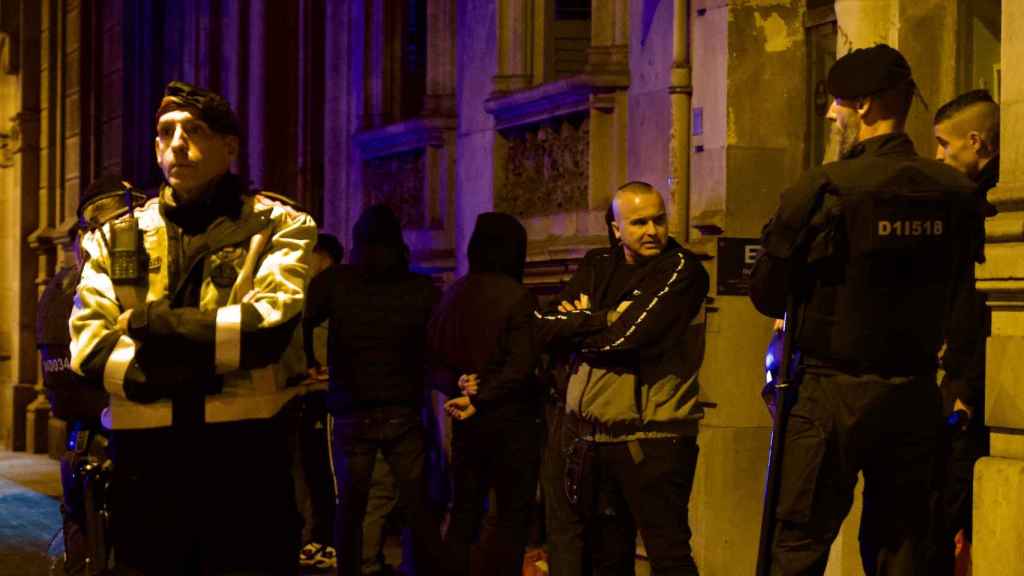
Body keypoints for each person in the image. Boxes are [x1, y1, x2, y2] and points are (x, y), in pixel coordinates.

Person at [749, 45, 983, 575]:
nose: (832, 114)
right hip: (914, 392)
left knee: (797, 543)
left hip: (830, 392)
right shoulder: (954, 191)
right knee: (903, 547)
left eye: (839, 104)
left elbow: (767, 291)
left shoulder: (823, 188)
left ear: (867, 107)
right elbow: (964, 297)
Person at [69, 80, 316, 575]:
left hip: (245, 461)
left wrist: (145, 323)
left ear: (230, 146)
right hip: (146, 467)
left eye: (194, 130)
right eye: (165, 132)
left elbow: (264, 330)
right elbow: (90, 347)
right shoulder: (115, 235)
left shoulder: (279, 225)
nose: (177, 143)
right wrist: (179, 375)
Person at [535, 181, 709, 575]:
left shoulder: (682, 270)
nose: (653, 231)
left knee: (668, 556)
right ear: (616, 229)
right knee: (607, 556)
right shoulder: (598, 264)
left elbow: (629, 339)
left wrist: (579, 329)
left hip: (654, 438)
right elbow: (542, 325)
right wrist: (603, 318)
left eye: (659, 220)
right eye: (639, 222)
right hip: (594, 435)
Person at [303, 203, 442, 576]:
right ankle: (425, 568)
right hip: (403, 409)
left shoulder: (334, 283)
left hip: (350, 409)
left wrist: (308, 363)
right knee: (417, 501)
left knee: (351, 503)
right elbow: (438, 343)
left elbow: (301, 320)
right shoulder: (420, 288)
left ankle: (354, 569)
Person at [39, 175, 146, 574]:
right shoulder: (86, 284)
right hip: (114, 428)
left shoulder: (59, 286)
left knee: (82, 531)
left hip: (82, 435)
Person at [428, 212, 543, 576]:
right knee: (510, 515)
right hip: (512, 424)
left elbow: (431, 359)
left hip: (465, 422)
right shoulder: (519, 297)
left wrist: (462, 385)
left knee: (463, 511)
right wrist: (483, 394)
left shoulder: (453, 293)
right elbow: (521, 367)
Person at [932, 89, 999, 573]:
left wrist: (963, 386)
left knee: (952, 508)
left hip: (972, 383)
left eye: (943, 144)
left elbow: (975, 309)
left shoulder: (984, 209)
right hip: (971, 376)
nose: (938, 156)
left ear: (976, 142)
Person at [297, 232, 345, 571]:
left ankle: (332, 539)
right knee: (315, 469)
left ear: (322, 255)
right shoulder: (314, 290)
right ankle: (320, 536)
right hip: (310, 391)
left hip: (326, 392)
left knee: (327, 470)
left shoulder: (332, 289)